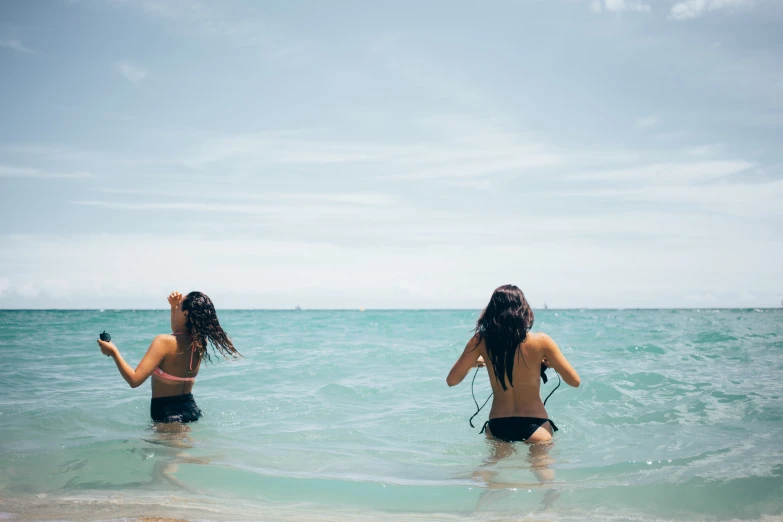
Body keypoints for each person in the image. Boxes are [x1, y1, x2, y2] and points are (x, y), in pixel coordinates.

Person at [447, 285, 580, 443]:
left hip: (498, 424)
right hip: (535, 424)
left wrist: (473, 364)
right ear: (523, 309)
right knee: (542, 467)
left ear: (491, 310)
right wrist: (551, 364)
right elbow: (574, 381)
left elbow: (452, 381)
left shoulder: (480, 340)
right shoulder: (541, 341)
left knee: (492, 465)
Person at [97, 291, 240, 423]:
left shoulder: (163, 342)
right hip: (191, 409)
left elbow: (134, 380)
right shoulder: (200, 343)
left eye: (179, 305)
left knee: (172, 450)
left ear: (186, 314)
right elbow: (178, 333)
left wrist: (114, 352)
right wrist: (173, 307)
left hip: (167, 412)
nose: (176, 306)